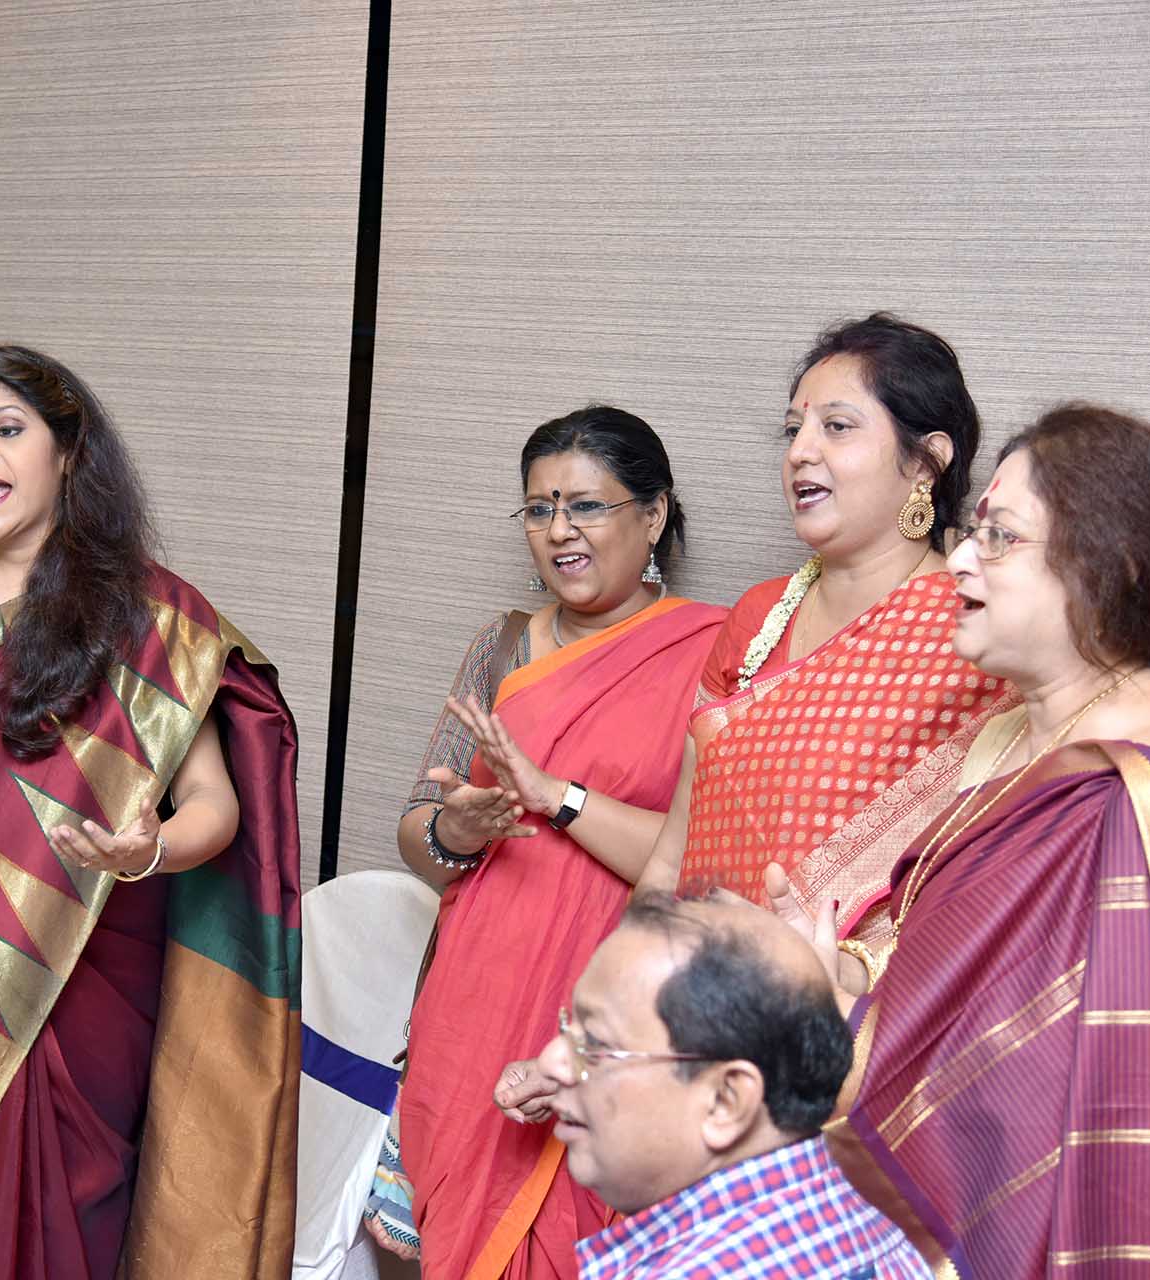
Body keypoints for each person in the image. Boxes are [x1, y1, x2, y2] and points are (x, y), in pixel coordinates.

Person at [0, 345, 300, 1280]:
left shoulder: (144, 615)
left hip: (82, 982)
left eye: (7, 430)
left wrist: (147, 850)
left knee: (66, 1234)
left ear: (69, 452)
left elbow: (215, 807)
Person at [777, 404, 1150, 1272]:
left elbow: (1031, 1067)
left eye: (1001, 538)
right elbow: (930, 948)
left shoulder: (1146, 786)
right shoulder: (1004, 733)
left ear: (1109, 566)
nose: (961, 560)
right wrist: (838, 965)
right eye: (972, 532)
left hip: (1079, 1203)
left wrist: (831, 1005)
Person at [371, 407, 728, 1278]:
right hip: (468, 1011)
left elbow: (700, 859)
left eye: (587, 506)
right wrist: (454, 830)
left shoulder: (714, 655)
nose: (559, 530)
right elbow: (419, 829)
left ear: (652, 516)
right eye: (537, 509)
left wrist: (558, 799)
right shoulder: (501, 648)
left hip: (610, 1017)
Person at [638, 313, 1016, 954]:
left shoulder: (979, 627)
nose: (798, 452)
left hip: (857, 1014)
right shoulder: (759, 615)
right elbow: (672, 855)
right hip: (693, 984)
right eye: (793, 430)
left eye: (836, 427)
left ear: (927, 459)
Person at [540, 893, 928, 1278]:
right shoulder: (860, 1213)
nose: (551, 1061)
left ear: (726, 1101)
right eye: (566, 1027)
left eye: (596, 1044)